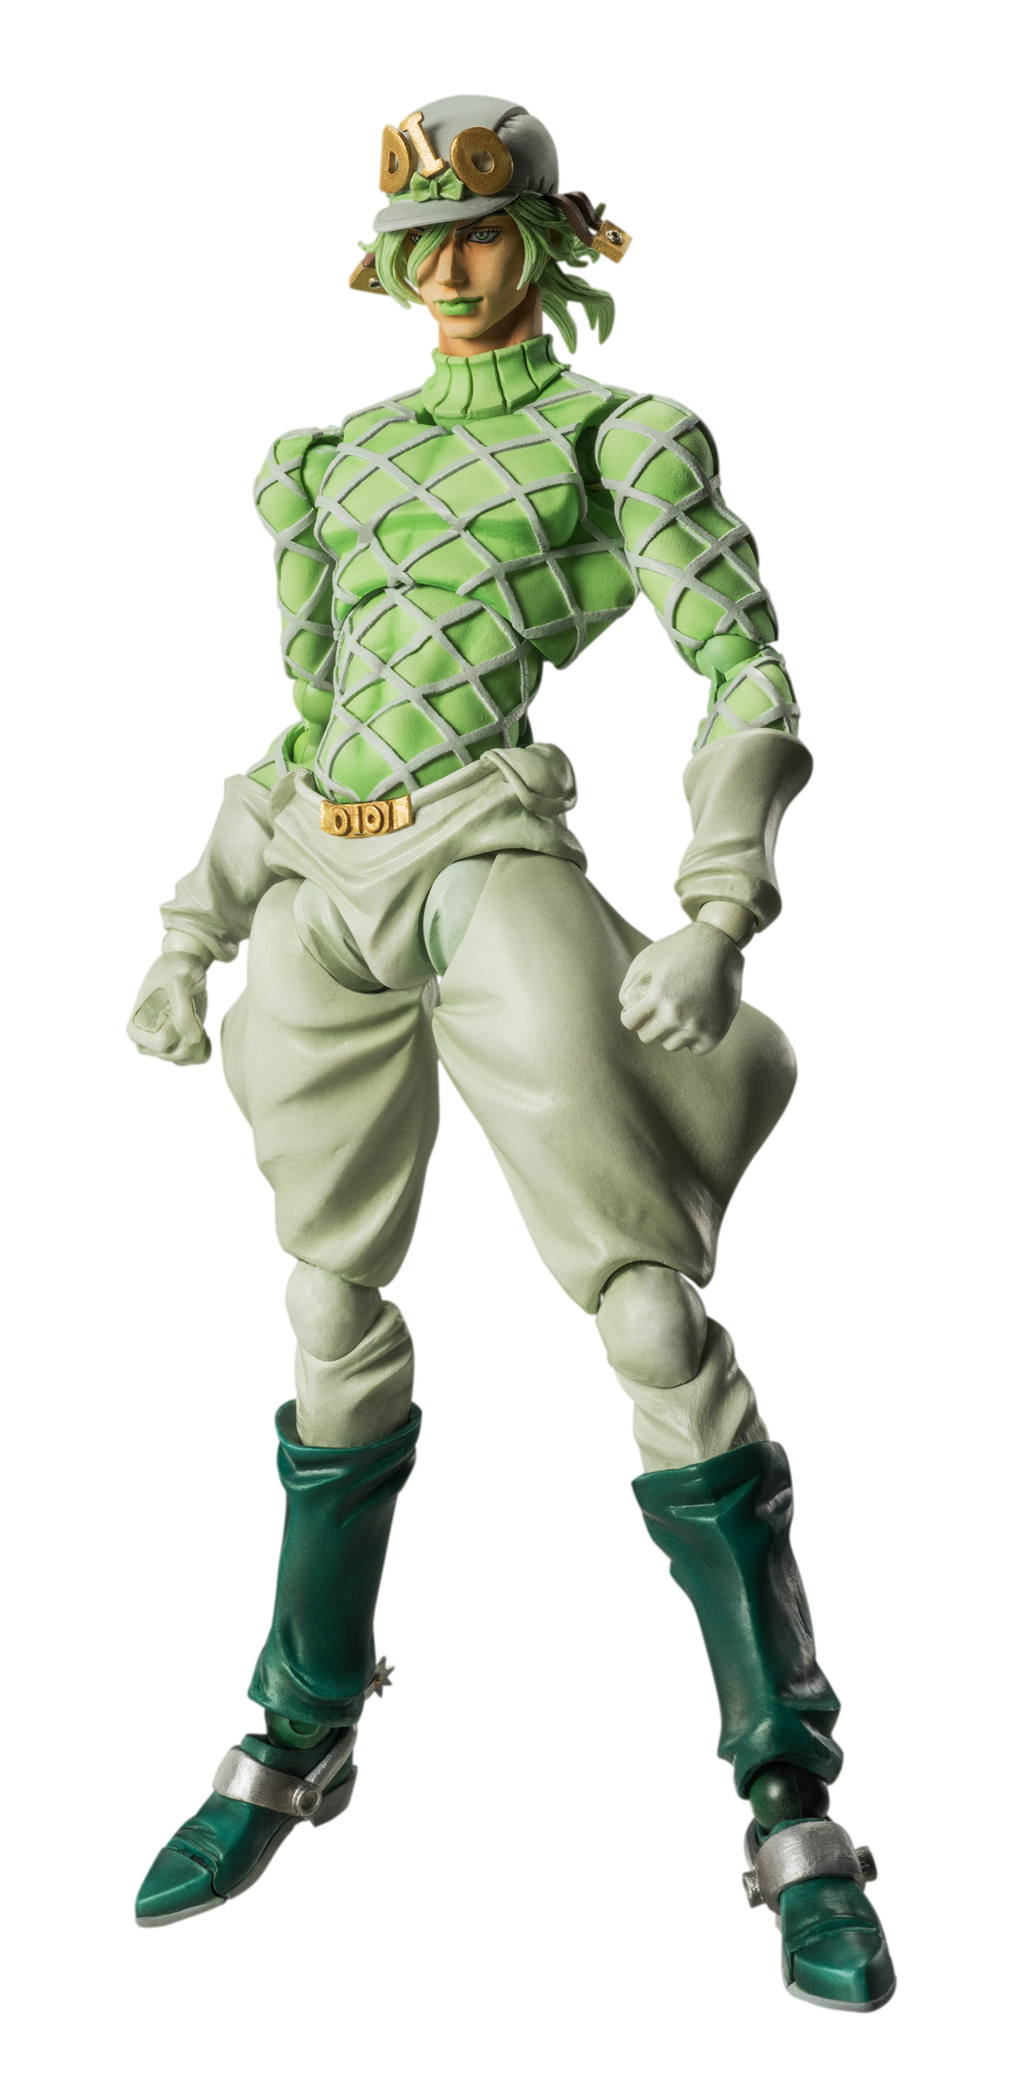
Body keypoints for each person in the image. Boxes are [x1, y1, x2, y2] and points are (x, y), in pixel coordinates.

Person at [127, 94, 894, 2009]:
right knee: (325, 1302)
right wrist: (194, 925)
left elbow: (745, 665)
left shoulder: (618, 435)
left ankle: (790, 1793)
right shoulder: (327, 462)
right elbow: (313, 721)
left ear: (549, 240)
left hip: (489, 859)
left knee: (644, 1309)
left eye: (481, 230)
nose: (449, 266)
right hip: (322, 880)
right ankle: (302, 1719)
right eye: (422, 237)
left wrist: (716, 905)